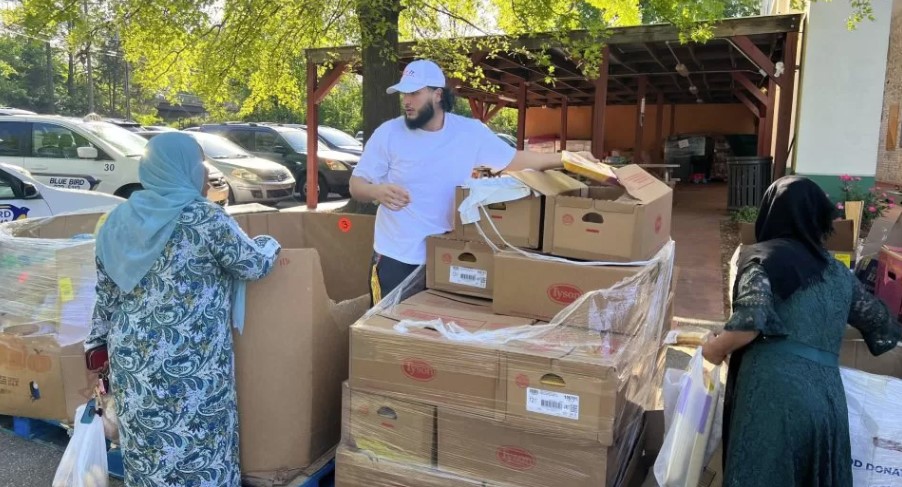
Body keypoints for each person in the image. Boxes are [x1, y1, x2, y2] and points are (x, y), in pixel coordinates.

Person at [86, 133, 281, 486]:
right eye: (199, 164)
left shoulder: (117, 220)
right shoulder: (204, 217)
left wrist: (95, 345)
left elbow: (106, 295)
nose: (205, 174)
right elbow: (252, 265)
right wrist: (269, 244)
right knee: (201, 450)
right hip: (193, 362)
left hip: (135, 361)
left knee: (147, 453)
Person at [701, 176, 901, 486]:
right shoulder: (838, 272)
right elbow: (881, 324)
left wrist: (713, 348)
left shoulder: (758, 258)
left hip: (773, 398)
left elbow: (750, 323)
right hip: (827, 401)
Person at [350, 59, 598, 304]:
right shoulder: (389, 133)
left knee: (433, 332)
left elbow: (515, 160)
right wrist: (376, 191)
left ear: (437, 94)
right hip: (396, 256)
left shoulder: (469, 132)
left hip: (449, 253)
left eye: (414, 93)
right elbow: (356, 185)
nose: (406, 101)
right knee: (386, 331)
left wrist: (566, 158)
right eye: (404, 93)